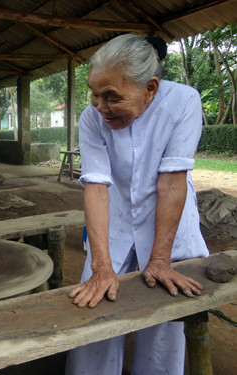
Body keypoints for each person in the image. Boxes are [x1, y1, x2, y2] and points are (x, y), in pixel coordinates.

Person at [66, 34, 209, 375]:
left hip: (168, 225)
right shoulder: (92, 117)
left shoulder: (183, 102)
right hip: (111, 224)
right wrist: (101, 267)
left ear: (151, 88)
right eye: (94, 93)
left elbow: (172, 182)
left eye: (112, 97)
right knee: (94, 320)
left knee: (161, 325)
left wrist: (160, 258)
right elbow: (97, 188)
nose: (100, 106)